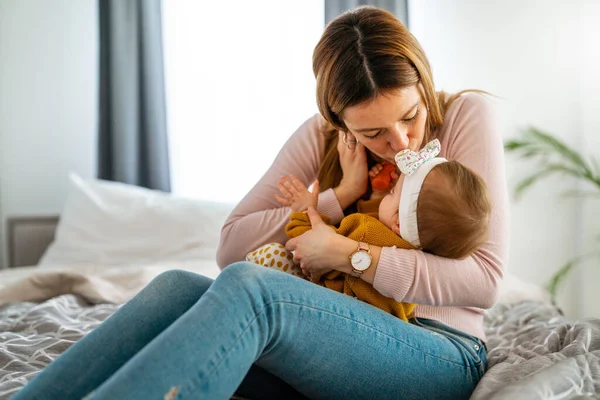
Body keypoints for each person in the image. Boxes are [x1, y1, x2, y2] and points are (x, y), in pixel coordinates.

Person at [12, 6, 507, 400]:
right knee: (176, 289)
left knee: (256, 290)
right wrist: (338, 198)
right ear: (340, 123)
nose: (400, 142)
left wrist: (348, 254)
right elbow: (232, 245)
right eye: (373, 133)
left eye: (411, 116)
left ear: (423, 82)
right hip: (333, 345)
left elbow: (484, 281)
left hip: (437, 351)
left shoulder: (466, 115)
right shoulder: (320, 139)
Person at [246, 138, 491, 323]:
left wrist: (305, 210)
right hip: (379, 323)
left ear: (398, 222)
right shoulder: (414, 250)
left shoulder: (365, 234)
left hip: (333, 306)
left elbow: (310, 243)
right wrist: (377, 194)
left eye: (393, 192)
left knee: (263, 261)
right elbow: (382, 222)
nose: (389, 190)